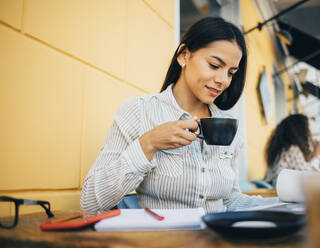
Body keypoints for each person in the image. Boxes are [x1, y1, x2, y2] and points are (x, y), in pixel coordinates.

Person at [80, 17, 277, 214]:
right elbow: (90, 203)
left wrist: (287, 204)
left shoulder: (228, 125)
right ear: (183, 55)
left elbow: (230, 200)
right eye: (215, 66)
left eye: (231, 73)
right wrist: (149, 143)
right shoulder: (139, 112)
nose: (223, 80)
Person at [264, 114, 320, 187]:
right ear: (300, 131)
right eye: (307, 128)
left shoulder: (285, 149)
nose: (309, 133)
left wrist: (313, 152)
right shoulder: (292, 150)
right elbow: (310, 177)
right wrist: (316, 153)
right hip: (283, 192)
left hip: (279, 189)